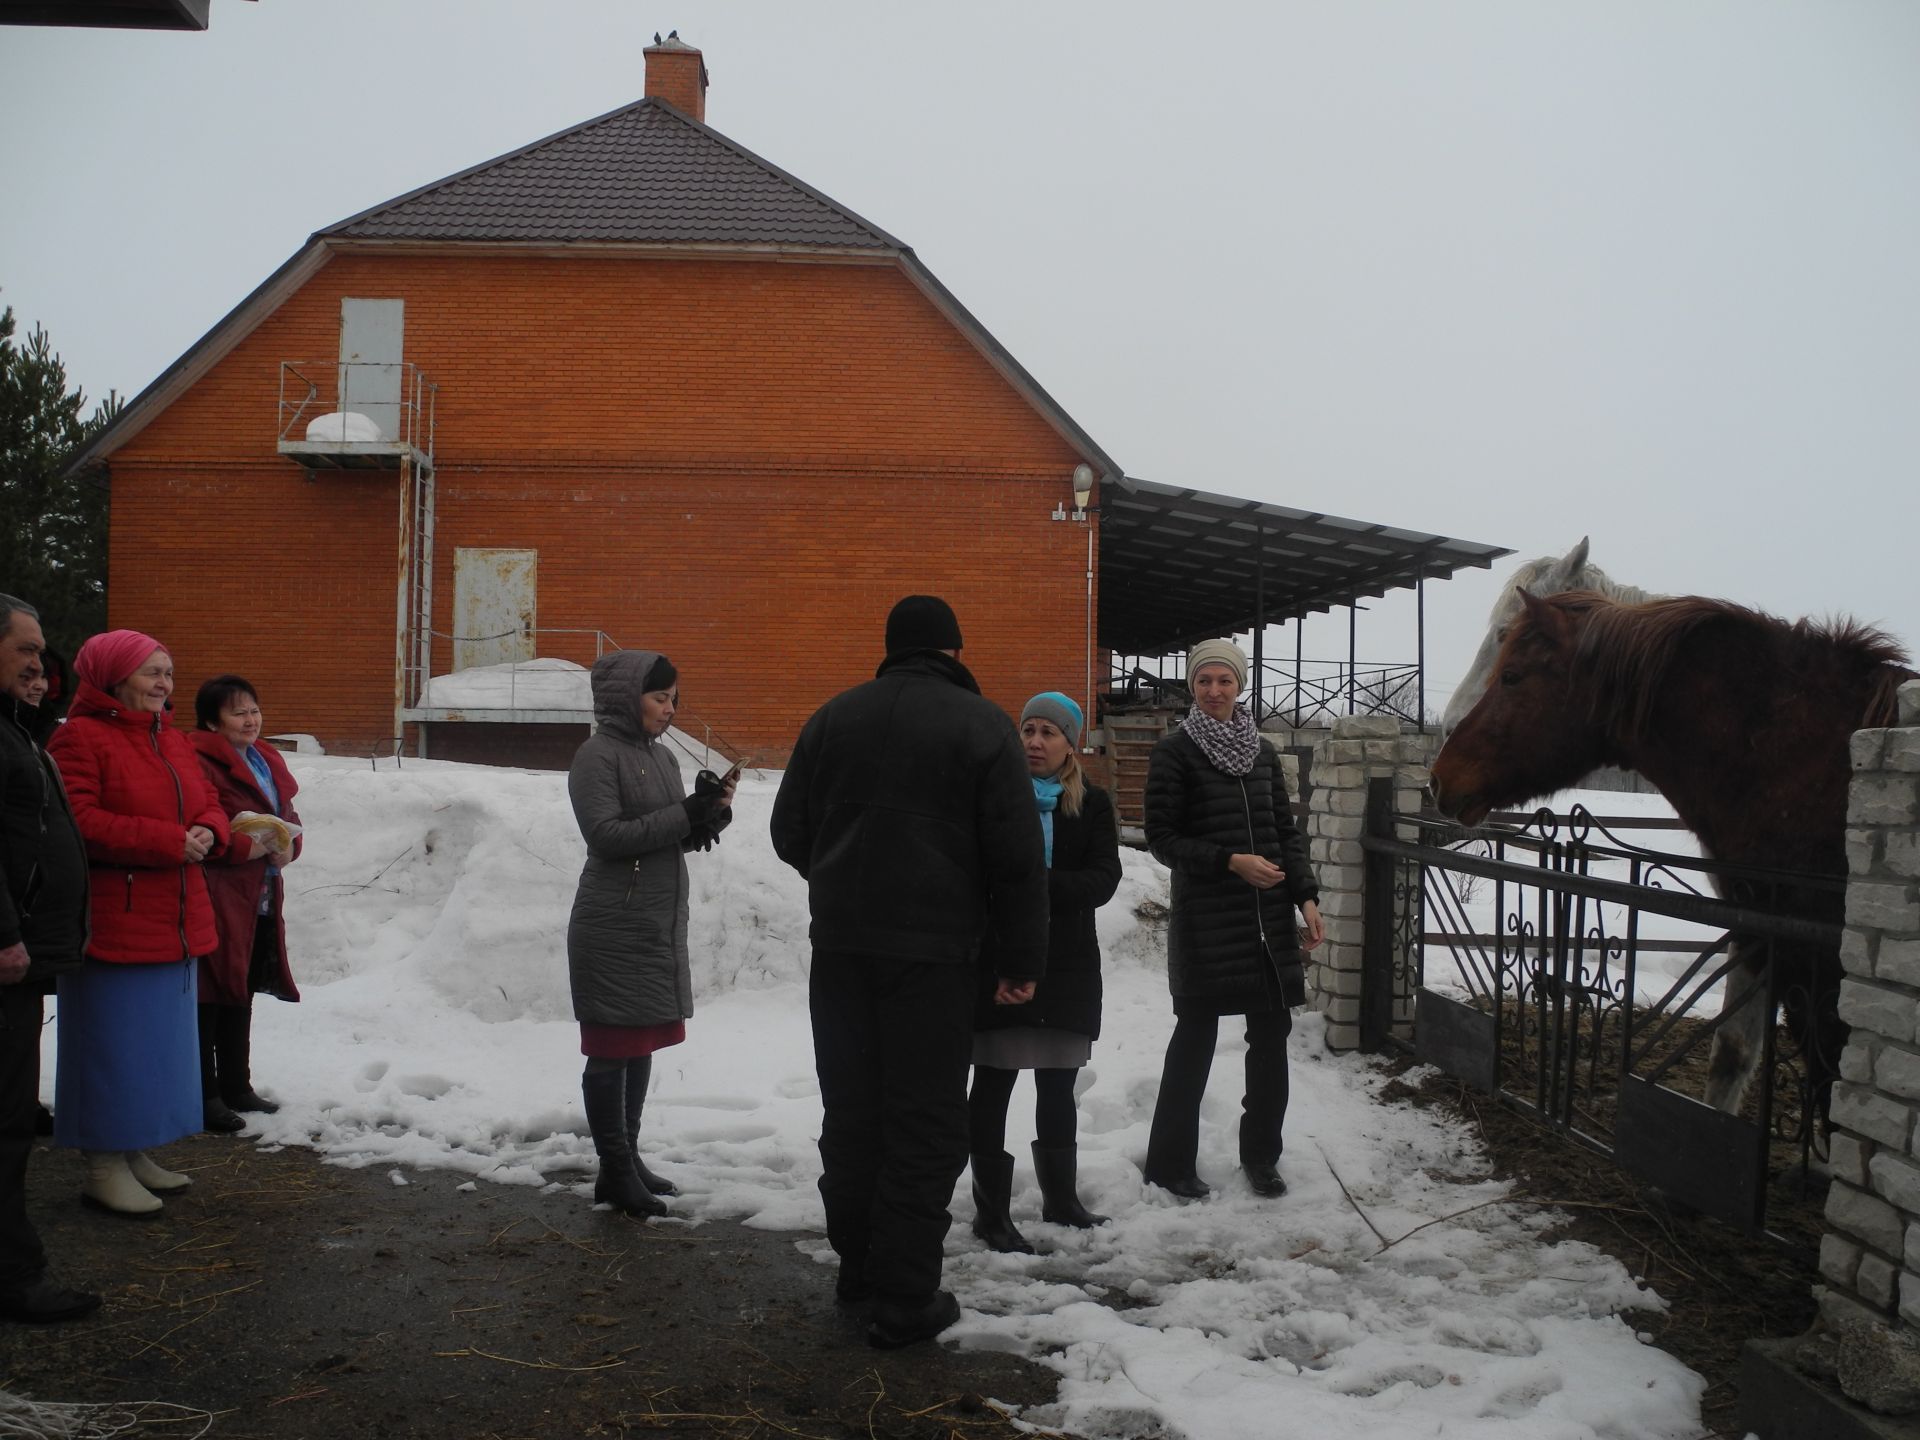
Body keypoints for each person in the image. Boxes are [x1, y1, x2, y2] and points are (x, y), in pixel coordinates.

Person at [771, 595, 1048, 1349]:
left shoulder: (833, 717)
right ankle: (904, 1297)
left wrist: (843, 881)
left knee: (854, 1112)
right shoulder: (983, 725)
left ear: (890, 650)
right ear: (954, 652)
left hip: (842, 952)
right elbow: (1018, 863)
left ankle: (859, 1266)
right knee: (924, 1122)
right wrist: (1020, 959)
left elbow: (788, 831)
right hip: (933, 959)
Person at [47, 630, 227, 1214]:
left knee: (151, 1049)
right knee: (109, 1048)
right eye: (150, 672)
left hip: (172, 918)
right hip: (114, 920)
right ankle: (101, 1162)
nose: (163, 684)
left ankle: (132, 1148)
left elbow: (207, 801)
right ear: (112, 677)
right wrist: (170, 842)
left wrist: (209, 830)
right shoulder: (78, 739)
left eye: (168, 673)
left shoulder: (170, 740)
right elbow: (79, 821)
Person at [1142, 638, 1324, 1201]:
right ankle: (1170, 1164)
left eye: (1224, 680)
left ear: (1240, 685)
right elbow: (1162, 838)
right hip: (1206, 924)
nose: (1214, 690)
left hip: (1268, 925)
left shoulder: (1263, 753)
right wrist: (1229, 861)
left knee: (1270, 1045)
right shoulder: (1175, 752)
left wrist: (1306, 897)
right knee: (1193, 1042)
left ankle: (1261, 1157)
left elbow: (1284, 834)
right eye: (1204, 681)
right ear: (1192, 687)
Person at [565, 650, 733, 1219]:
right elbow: (607, 836)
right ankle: (613, 1169)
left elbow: (662, 835)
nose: (669, 709)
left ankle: (627, 1160)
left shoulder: (660, 758)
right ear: (626, 698)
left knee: (638, 1047)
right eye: (659, 698)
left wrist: (705, 818)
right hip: (613, 923)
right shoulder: (595, 756)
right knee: (612, 1050)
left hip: (653, 921)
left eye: (672, 699)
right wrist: (684, 815)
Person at [969, 691, 1121, 1254]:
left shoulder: (1092, 804)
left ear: (1070, 743)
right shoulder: (994, 799)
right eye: (1027, 729)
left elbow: (1104, 878)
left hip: (1067, 962)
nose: (1034, 741)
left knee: (1058, 1083)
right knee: (992, 1080)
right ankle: (991, 1215)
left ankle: (1063, 1201)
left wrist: (1032, 888)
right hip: (1001, 959)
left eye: (1048, 732)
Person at [0, 596, 99, 1321]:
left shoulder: (17, 733)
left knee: (10, 1119)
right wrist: (4, 934)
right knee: (4, 1126)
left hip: (24, 954)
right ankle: (15, 1280)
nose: (40, 663)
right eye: (26, 649)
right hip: (7, 955)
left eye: (42, 652)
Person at [187, 676, 303, 1129]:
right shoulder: (197, 760)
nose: (250, 720)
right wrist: (244, 848)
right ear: (212, 721)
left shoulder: (265, 759)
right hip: (218, 892)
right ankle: (205, 1093)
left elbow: (288, 817)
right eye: (238, 712)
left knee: (242, 985)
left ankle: (238, 1084)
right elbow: (201, 819)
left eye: (254, 709)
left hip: (260, 892)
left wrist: (289, 846)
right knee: (211, 991)